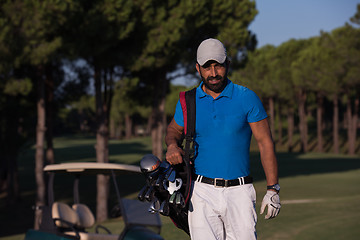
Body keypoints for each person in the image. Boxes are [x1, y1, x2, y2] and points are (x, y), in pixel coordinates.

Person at [165, 38, 281, 240]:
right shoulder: (188, 101)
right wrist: (172, 145)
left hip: (240, 192)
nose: (213, 73)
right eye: (207, 67)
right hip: (201, 192)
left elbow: (265, 142)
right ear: (197, 68)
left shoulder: (246, 97)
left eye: (218, 65)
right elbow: (173, 130)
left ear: (227, 64)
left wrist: (273, 189)